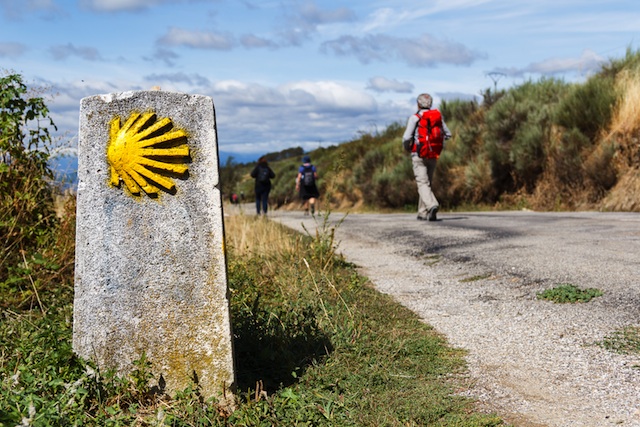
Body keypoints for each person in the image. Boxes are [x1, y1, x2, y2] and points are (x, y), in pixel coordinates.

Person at [402, 93, 451, 222]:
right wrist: (436, 143)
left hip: (418, 154)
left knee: (422, 183)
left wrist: (407, 147)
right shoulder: (437, 117)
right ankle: (422, 213)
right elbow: (448, 134)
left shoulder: (415, 118)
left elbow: (406, 137)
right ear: (431, 104)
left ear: (418, 104)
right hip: (433, 154)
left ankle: (431, 205)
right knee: (427, 184)